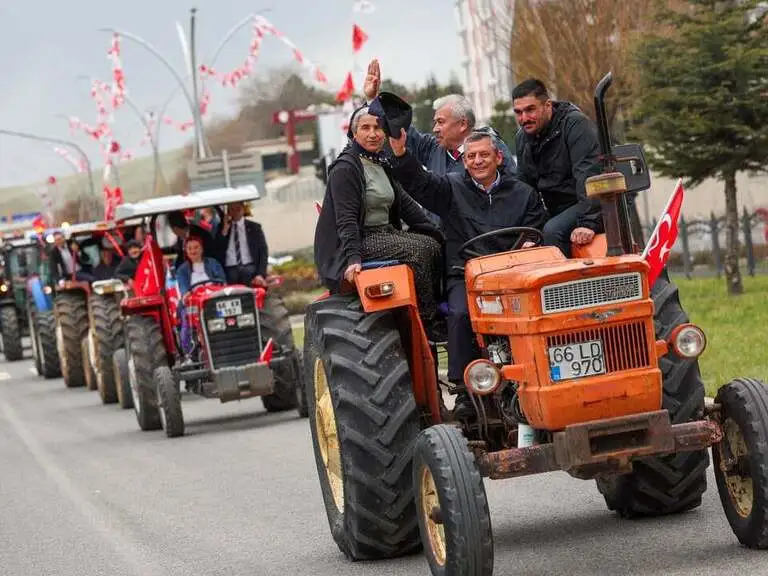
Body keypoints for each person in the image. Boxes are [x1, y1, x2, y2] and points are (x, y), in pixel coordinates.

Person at [389, 127, 548, 419]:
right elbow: (420, 183)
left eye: (484, 155)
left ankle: (540, 373)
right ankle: (464, 392)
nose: (477, 161)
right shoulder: (450, 189)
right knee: (460, 314)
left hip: (514, 276)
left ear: (498, 157)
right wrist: (401, 154)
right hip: (466, 274)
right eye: (471, 156)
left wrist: (529, 243)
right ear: (464, 162)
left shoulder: (523, 194)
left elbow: (536, 229)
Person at [314, 104, 444, 330]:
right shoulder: (345, 168)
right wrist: (353, 259)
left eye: (378, 127)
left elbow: (406, 205)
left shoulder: (382, 161)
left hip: (385, 234)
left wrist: (438, 232)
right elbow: (346, 220)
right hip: (358, 240)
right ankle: (427, 319)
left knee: (434, 245)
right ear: (354, 133)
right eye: (365, 128)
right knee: (418, 251)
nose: (373, 134)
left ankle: (439, 307)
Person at [363, 59, 516, 175]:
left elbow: (510, 194)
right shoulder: (433, 150)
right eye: (435, 122)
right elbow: (401, 128)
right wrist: (373, 99)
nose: (435, 129)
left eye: (441, 122)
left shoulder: (491, 149)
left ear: (463, 124)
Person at [512, 78, 603, 257]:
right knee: (517, 237)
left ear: (547, 105)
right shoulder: (522, 138)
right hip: (555, 209)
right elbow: (525, 190)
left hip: (589, 204)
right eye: (518, 112)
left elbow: (589, 176)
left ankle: (565, 285)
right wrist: (528, 232)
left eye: (530, 110)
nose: (524, 118)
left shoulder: (576, 125)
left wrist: (588, 222)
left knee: (553, 230)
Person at [175, 235, 227, 356]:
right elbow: (184, 288)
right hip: (194, 302)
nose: (193, 251)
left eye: (196, 247)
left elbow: (222, 281)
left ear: (202, 249)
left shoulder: (213, 263)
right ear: (186, 251)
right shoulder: (182, 270)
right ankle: (189, 353)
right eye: (190, 248)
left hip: (214, 298)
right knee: (186, 324)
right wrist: (186, 295)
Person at [216, 201, 269, 288]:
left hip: (249, 267)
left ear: (243, 210)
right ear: (228, 212)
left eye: (238, 209)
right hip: (230, 268)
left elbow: (263, 252)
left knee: (251, 287)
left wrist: (260, 274)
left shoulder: (254, 227)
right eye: (232, 209)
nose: (235, 212)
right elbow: (217, 248)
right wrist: (224, 229)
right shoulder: (222, 227)